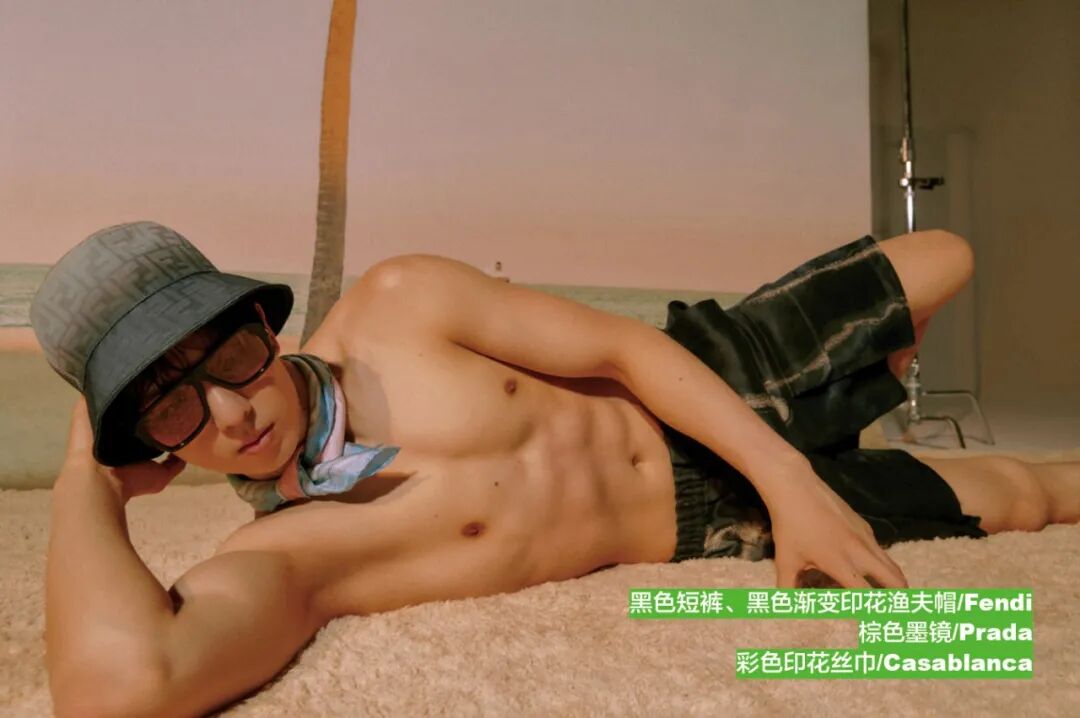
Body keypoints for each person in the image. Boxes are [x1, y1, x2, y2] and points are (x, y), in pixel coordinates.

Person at [32, 221, 1079, 716]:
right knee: (1035, 497)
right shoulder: (292, 554)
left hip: (709, 377)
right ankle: (865, 417)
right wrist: (87, 475)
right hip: (711, 524)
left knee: (943, 256)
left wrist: (794, 478)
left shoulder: (398, 302)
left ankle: (858, 397)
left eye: (226, 356)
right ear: (147, 445)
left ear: (260, 323)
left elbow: (622, 349)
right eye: (170, 404)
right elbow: (118, 690)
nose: (229, 412)